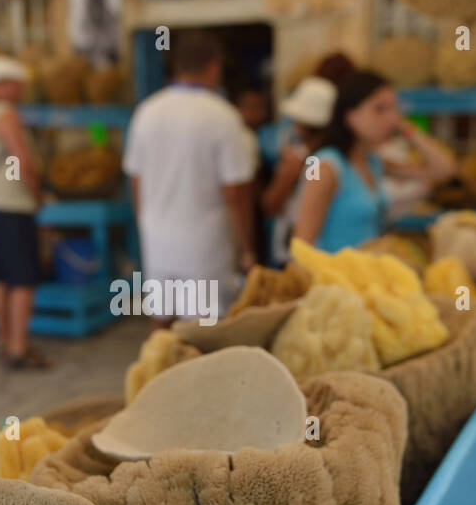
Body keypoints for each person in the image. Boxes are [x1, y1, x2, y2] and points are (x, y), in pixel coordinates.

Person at [123, 29, 257, 321]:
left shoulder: (146, 112)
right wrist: (247, 248)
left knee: (160, 321)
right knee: (202, 332)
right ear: (214, 67)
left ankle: (155, 369)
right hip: (204, 244)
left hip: (157, 238)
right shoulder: (223, 117)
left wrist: (145, 223)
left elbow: (136, 181)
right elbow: (235, 192)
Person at [292, 69, 457, 252]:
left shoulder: (373, 162)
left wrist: (406, 129)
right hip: (336, 276)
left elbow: (444, 170)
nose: (392, 118)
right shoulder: (325, 166)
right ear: (350, 115)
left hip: (367, 275)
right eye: (380, 109)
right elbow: (302, 244)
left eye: (394, 108)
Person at [0, 54, 50, 369]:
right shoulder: (5, 115)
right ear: (7, 85)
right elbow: (21, 160)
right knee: (23, 280)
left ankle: (4, 342)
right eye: (18, 84)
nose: (21, 91)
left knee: (0, 277)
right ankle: (19, 349)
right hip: (12, 205)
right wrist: (36, 191)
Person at [263, 77, 338, 266]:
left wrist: (286, 173)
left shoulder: (304, 160)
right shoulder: (338, 159)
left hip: (298, 252)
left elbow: (271, 204)